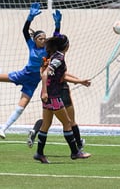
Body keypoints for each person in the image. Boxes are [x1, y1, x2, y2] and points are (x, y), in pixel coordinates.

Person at [0, 2, 62, 139]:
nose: (44, 40)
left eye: (45, 38)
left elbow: (56, 37)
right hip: (24, 74)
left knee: (21, 107)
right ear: (35, 40)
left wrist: (58, 24)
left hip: (34, 81)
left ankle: (3, 129)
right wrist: (30, 17)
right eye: (41, 38)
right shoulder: (31, 45)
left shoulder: (48, 49)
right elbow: (25, 31)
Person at [33, 35, 91, 164]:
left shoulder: (55, 55)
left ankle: (39, 153)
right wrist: (45, 91)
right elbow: (45, 73)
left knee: (46, 124)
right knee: (67, 122)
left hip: (49, 95)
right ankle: (75, 152)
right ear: (66, 45)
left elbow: (62, 74)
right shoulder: (59, 57)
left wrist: (79, 81)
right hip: (52, 95)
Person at [27, 71, 91, 150]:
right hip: (61, 91)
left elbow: (62, 74)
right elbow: (63, 76)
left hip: (48, 92)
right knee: (70, 121)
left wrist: (77, 79)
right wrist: (79, 81)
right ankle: (79, 145)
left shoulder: (45, 63)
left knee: (46, 121)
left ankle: (35, 131)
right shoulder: (57, 60)